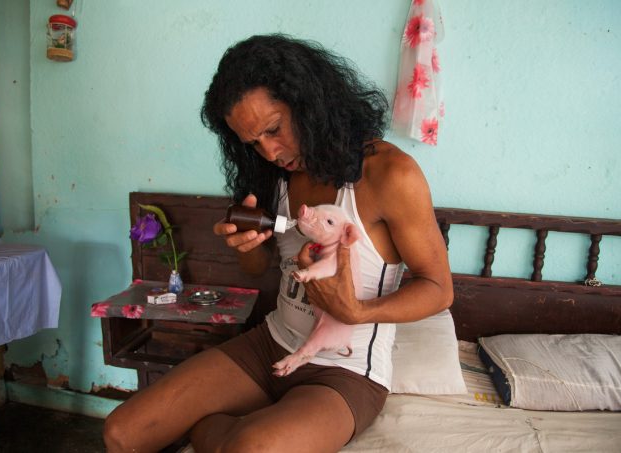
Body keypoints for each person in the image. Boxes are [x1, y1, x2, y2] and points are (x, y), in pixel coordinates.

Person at [104, 33, 453, 453]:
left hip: (344, 371)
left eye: (274, 129)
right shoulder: (275, 177)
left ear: (310, 102)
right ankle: (226, 430)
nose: (270, 152)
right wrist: (249, 249)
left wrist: (359, 311)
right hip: (271, 343)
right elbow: (262, 270)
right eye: (252, 143)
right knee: (121, 433)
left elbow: (438, 288)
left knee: (250, 449)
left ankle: (221, 432)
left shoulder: (390, 175)